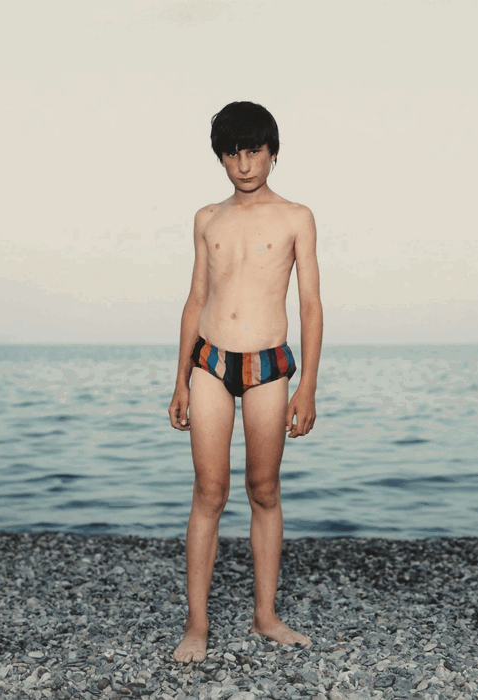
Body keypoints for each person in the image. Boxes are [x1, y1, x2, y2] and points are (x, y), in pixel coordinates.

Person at [168, 101, 323, 664]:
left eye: (253, 151)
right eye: (233, 152)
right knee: (209, 492)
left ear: (272, 153)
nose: (244, 163)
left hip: (268, 365)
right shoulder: (207, 217)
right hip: (209, 360)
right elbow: (195, 299)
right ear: (221, 158)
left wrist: (307, 386)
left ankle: (265, 616)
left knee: (264, 489)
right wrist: (180, 378)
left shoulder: (296, 217)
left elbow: (310, 303)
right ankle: (197, 623)